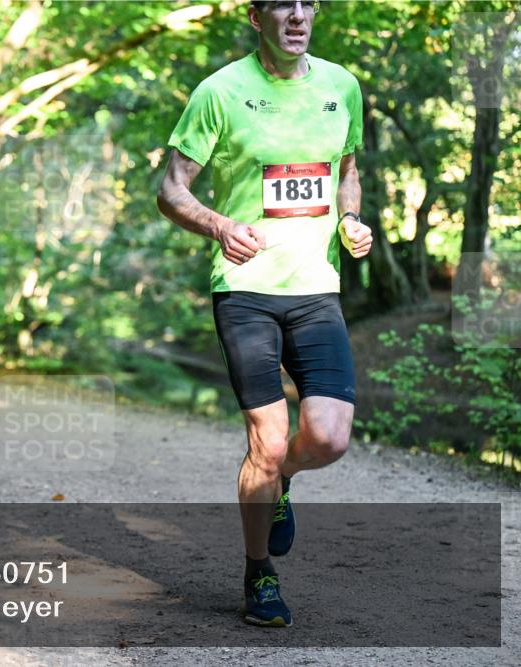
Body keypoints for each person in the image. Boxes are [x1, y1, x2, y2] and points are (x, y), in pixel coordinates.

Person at [157, 0, 373, 627]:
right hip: (246, 289)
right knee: (267, 440)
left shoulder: (342, 86)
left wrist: (351, 218)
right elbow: (171, 189)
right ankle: (260, 573)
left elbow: (347, 171)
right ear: (258, 18)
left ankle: (279, 482)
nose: (298, 15)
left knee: (328, 438)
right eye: (283, 4)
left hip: (316, 288)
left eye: (308, 3)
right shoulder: (219, 91)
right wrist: (220, 226)